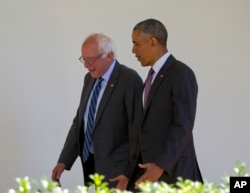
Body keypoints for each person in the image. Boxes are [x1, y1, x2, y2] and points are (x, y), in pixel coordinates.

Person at [52, 33, 143, 191]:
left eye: (91, 59)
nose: (86, 65)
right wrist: (64, 160)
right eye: (83, 59)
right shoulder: (89, 79)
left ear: (110, 55)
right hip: (92, 165)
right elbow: (80, 122)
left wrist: (131, 172)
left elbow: (137, 130)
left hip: (119, 172)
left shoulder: (129, 79)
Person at [131, 19, 203, 188]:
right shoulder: (151, 77)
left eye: (136, 44)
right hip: (151, 176)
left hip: (175, 176)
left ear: (153, 42)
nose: (133, 50)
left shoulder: (180, 73)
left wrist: (161, 165)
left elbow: (183, 125)